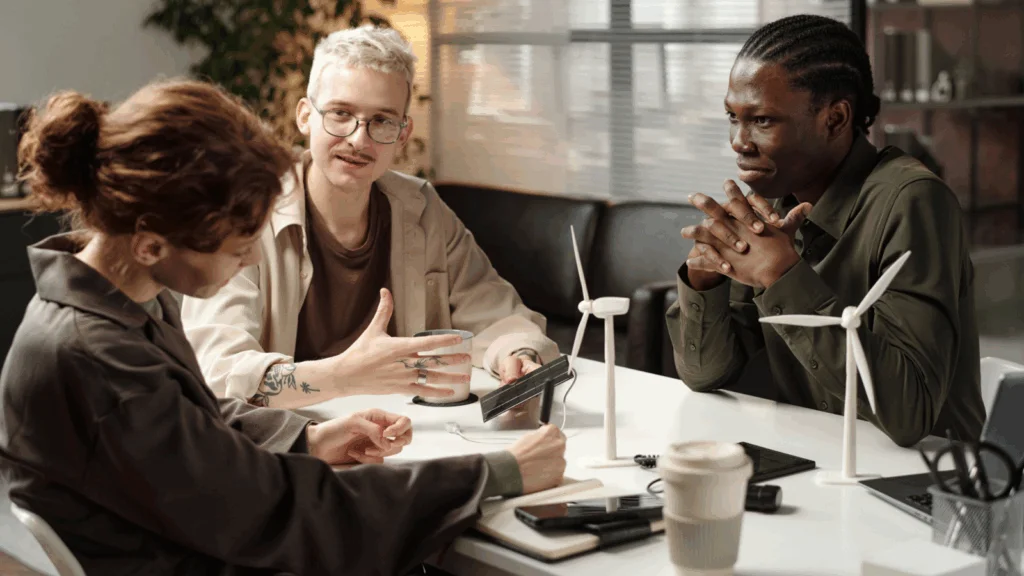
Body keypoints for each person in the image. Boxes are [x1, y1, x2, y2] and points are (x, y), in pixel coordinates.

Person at [0, 79, 567, 576]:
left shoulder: (117, 305)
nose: (250, 260)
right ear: (150, 242)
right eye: (239, 242)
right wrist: (495, 474)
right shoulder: (98, 359)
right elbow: (277, 508)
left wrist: (305, 436)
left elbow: (188, 420)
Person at [180, 25, 558, 410]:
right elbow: (218, 372)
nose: (359, 140)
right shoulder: (244, 213)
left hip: (403, 432)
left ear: (403, 132)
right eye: (341, 114)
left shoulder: (423, 209)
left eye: (382, 121)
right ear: (305, 117)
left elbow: (498, 315)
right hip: (291, 442)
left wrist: (519, 355)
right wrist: (344, 376)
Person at [666, 14, 984, 447]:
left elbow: (911, 413)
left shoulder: (912, 199)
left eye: (762, 120)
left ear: (834, 119)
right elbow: (704, 375)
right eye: (732, 117)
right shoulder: (773, 200)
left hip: (927, 480)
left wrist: (782, 278)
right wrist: (705, 285)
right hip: (819, 463)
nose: (738, 141)